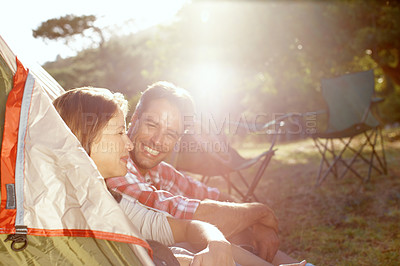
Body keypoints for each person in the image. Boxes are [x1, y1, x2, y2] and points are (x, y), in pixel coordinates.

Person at [53, 87, 307, 266]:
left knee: (231, 230)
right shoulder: (113, 174)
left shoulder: (158, 171)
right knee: (206, 240)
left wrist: (251, 219)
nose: (157, 140)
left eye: (171, 134)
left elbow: (213, 198)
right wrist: (259, 213)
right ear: (134, 121)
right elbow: (182, 217)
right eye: (151, 125)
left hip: (178, 247)